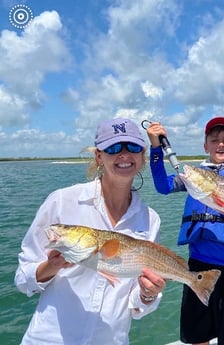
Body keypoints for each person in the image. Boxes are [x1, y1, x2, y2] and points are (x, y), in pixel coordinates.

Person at [15, 118, 166, 345]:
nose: (124, 155)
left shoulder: (150, 219)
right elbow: (22, 280)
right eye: (113, 148)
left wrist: (148, 294)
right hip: (49, 339)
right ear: (99, 156)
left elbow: (137, 306)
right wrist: (51, 266)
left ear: (142, 155)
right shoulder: (61, 202)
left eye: (133, 147)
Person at [146, 117, 224, 345]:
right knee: (198, 333)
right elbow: (163, 186)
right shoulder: (193, 176)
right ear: (205, 146)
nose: (221, 144)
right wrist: (155, 148)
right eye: (215, 140)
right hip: (197, 264)